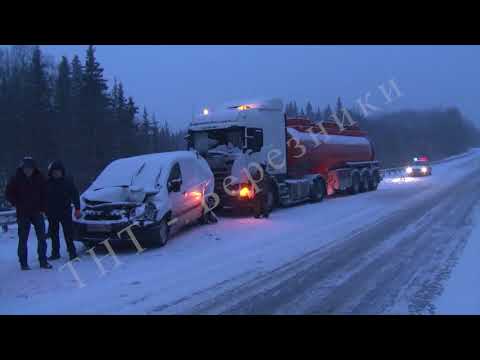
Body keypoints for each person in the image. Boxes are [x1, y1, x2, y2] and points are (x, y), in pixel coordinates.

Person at [5, 157, 52, 270]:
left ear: (33, 168)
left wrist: (43, 208)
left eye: (30, 168)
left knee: (41, 237)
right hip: (23, 212)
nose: (28, 170)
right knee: (23, 239)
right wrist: (16, 203)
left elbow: (45, 193)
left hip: (37, 211)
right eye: (26, 168)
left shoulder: (39, 178)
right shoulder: (16, 178)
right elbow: (8, 193)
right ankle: (23, 263)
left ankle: (43, 261)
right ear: (22, 168)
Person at [46, 161, 81, 261]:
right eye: (54, 171)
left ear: (62, 172)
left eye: (58, 171)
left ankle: (72, 253)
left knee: (68, 233)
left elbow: (75, 195)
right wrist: (44, 209)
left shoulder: (68, 182)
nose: (56, 173)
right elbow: (43, 197)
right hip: (52, 212)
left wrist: (77, 208)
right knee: (54, 234)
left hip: (65, 211)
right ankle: (55, 253)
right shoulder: (47, 183)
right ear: (51, 172)